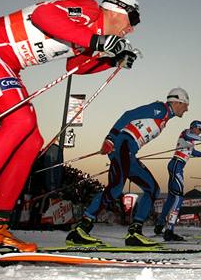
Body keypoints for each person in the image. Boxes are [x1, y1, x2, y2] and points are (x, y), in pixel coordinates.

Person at [0, 0, 140, 252]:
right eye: (133, 19)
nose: (131, 29)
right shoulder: (88, 9)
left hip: (6, 64)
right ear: (116, 10)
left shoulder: (91, 35)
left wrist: (110, 60)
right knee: (21, 121)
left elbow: (76, 66)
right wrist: (97, 40)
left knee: (32, 140)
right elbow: (43, 16)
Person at [66, 88, 190, 247]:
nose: (186, 109)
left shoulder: (165, 117)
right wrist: (111, 138)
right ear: (177, 101)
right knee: (116, 188)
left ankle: (134, 233)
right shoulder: (161, 109)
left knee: (152, 189)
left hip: (129, 152)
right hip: (122, 146)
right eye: (185, 105)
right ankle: (80, 230)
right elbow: (129, 115)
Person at [153, 120, 201, 241]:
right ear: (193, 127)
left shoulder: (190, 141)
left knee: (171, 197)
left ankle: (160, 225)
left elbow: (193, 152)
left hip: (176, 165)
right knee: (179, 198)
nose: (200, 131)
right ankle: (169, 230)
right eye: (199, 128)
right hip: (177, 165)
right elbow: (189, 135)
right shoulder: (186, 133)